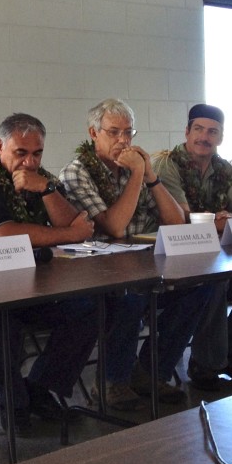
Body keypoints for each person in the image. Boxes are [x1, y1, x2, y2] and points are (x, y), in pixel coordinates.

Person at [60, 98, 207, 410]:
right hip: (98, 271)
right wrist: (138, 175)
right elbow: (114, 227)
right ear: (93, 133)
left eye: (129, 132)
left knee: (199, 287)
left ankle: (151, 371)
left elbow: (176, 221)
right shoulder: (77, 171)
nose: (123, 141)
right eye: (114, 132)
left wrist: (150, 175)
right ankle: (112, 381)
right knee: (132, 295)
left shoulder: (135, 168)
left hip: (144, 262)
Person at [0, 113, 98, 434]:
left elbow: (77, 224)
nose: (30, 161)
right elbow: (5, 234)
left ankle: (39, 389)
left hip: (35, 288)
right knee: (1, 324)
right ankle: (15, 406)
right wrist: (69, 235)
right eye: (20, 153)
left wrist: (48, 190)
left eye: (36, 153)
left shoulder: (42, 178)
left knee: (91, 307)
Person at [152, 103, 232, 392]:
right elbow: (184, 220)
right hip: (174, 256)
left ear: (221, 137)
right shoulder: (167, 164)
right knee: (214, 277)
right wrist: (229, 221)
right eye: (198, 129)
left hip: (217, 250)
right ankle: (205, 364)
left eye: (212, 131)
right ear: (186, 132)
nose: (204, 137)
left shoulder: (222, 167)